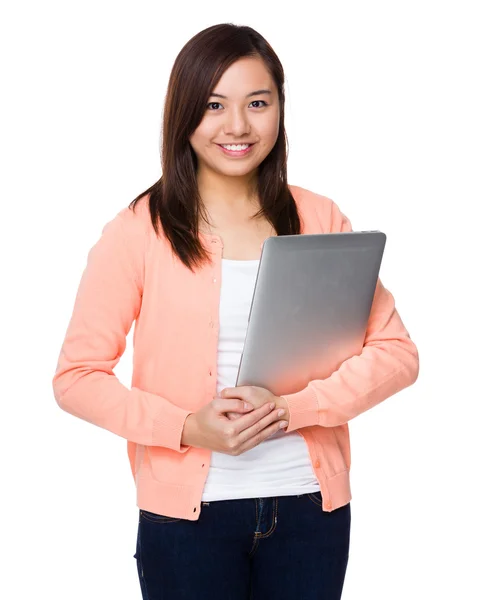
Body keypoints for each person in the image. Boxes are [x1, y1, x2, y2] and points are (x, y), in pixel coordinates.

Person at [52, 22, 419, 600]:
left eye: (257, 103)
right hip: (187, 524)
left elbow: (397, 354)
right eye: (214, 105)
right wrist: (184, 427)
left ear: (279, 107)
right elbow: (76, 378)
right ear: (184, 113)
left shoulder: (320, 217)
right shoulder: (138, 231)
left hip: (309, 510)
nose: (238, 126)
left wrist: (295, 410)